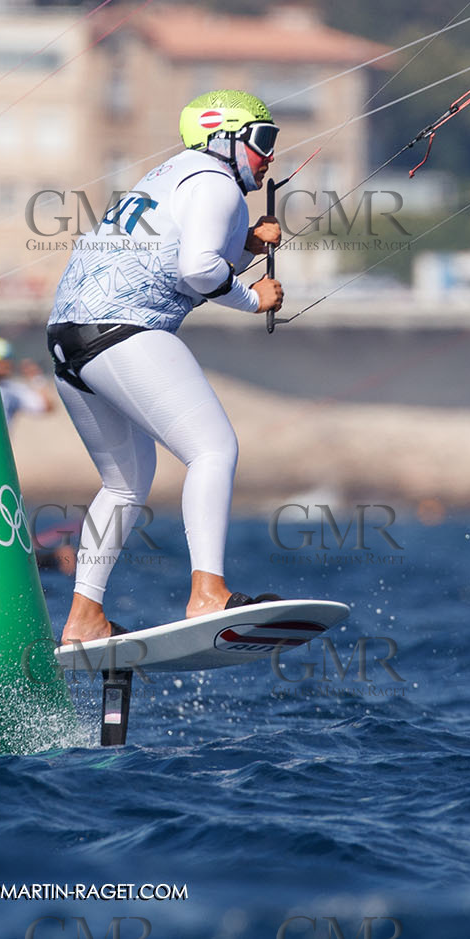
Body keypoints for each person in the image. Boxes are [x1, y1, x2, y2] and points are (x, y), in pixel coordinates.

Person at [45, 90, 283, 643]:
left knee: (125, 483)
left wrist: (246, 242)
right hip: (123, 332)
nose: (270, 156)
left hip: (66, 340)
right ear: (225, 140)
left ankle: (83, 618)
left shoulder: (171, 175)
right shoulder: (219, 183)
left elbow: (178, 252)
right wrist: (253, 299)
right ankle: (207, 595)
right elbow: (199, 268)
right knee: (214, 450)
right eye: (263, 140)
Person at [0, 337, 55, 426]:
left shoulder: (12, 389)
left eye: (8, 359)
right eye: (1, 360)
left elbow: (46, 406)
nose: (6, 364)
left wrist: (36, 378)